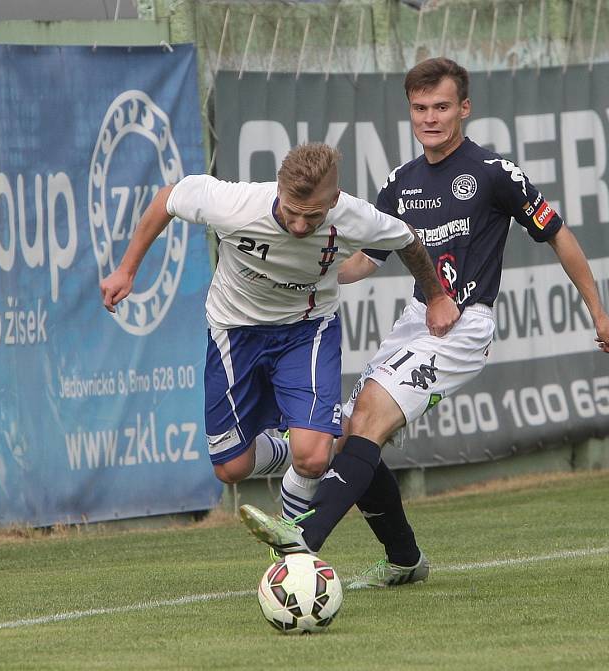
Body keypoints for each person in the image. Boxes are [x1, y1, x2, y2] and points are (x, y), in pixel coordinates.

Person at [239, 58, 609, 585]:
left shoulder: (493, 174)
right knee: (352, 434)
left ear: (464, 108)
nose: (430, 118)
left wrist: (597, 311)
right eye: (420, 108)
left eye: (441, 106)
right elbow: (361, 263)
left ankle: (299, 544)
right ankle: (404, 561)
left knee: (366, 420)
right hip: (415, 321)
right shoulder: (400, 184)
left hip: (463, 327)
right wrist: (302, 276)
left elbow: (558, 233)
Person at [100, 142, 460, 524]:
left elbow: (406, 239)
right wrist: (126, 269)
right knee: (231, 468)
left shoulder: (354, 217)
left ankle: (292, 543)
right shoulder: (235, 204)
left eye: (314, 216)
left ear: (334, 199)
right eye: (292, 212)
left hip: (307, 331)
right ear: (278, 189)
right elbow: (167, 199)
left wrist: (436, 297)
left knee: (315, 457)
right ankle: (305, 439)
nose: (301, 226)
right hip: (234, 331)